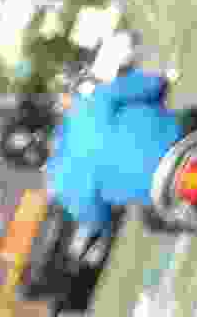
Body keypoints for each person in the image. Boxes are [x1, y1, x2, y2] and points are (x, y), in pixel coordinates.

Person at [36, 61, 185, 242]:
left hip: (164, 190)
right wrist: (161, 81)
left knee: (153, 220)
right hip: (178, 136)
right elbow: (141, 87)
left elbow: (98, 219)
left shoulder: (62, 184)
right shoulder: (83, 108)